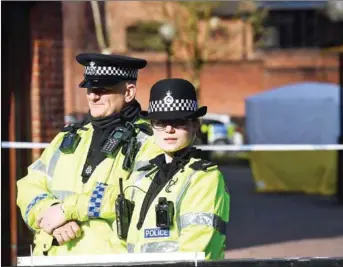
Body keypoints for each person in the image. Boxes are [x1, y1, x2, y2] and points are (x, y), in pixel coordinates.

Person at [16, 53, 162, 256]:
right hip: (53, 257)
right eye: (90, 89)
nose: (93, 96)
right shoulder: (69, 136)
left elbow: (138, 197)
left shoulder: (150, 140)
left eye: (102, 90)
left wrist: (67, 210)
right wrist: (49, 212)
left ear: (129, 92)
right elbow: (29, 185)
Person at [124, 78, 230, 259]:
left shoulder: (204, 178)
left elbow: (195, 249)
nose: (169, 129)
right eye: (160, 122)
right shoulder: (145, 175)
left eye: (179, 122)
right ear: (151, 126)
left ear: (195, 125)